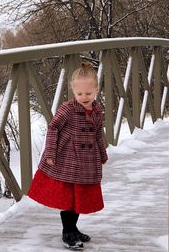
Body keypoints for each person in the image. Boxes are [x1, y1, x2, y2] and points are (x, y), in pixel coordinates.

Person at [28, 62, 108, 250]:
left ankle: (74, 229)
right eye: (79, 94)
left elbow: (98, 134)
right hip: (67, 160)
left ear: (96, 89)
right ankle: (67, 233)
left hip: (87, 161)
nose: (84, 97)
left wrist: (102, 154)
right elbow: (53, 127)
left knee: (79, 198)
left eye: (88, 93)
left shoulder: (97, 110)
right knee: (69, 198)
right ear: (73, 91)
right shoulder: (68, 109)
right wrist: (50, 152)